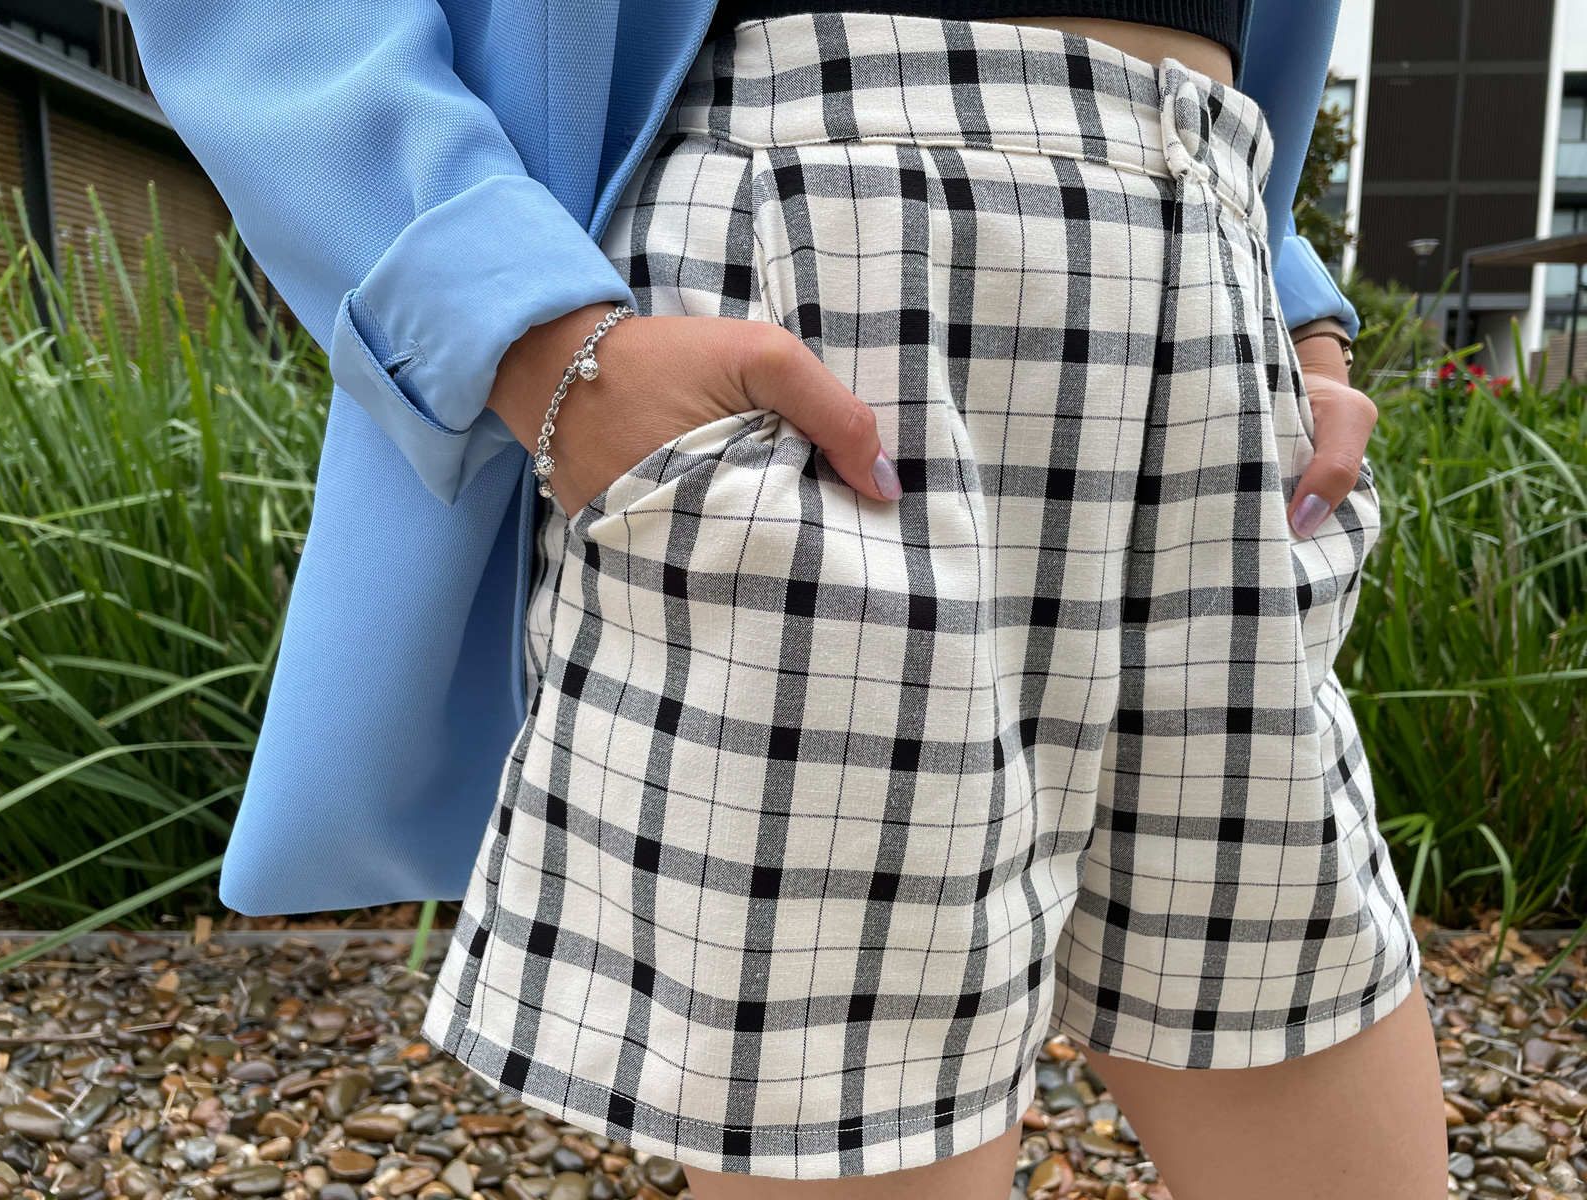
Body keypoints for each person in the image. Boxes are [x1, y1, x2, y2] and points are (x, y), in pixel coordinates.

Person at [125, 3, 1447, 1197]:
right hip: (825, 281)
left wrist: (1287, 304)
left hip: (1201, 279)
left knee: (1329, 1082)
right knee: (863, 1140)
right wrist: (530, 339)